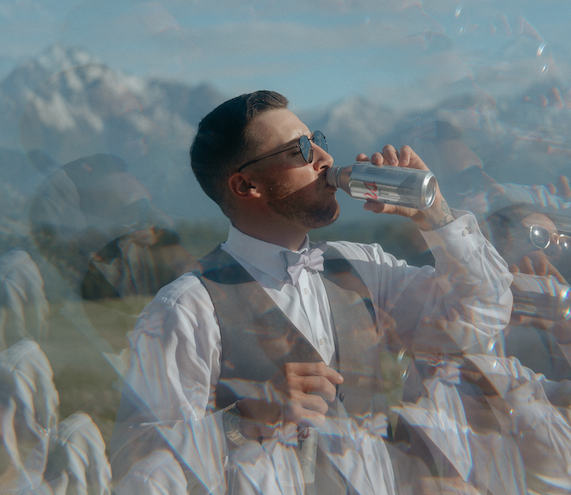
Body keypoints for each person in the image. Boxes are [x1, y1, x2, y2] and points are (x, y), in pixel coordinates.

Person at [111, 90, 514, 494]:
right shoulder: (186, 308)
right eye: (300, 150)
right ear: (247, 184)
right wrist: (241, 421)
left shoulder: (358, 266)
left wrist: (434, 213)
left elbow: (482, 312)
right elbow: (139, 469)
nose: (323, 158)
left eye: (317, 140)